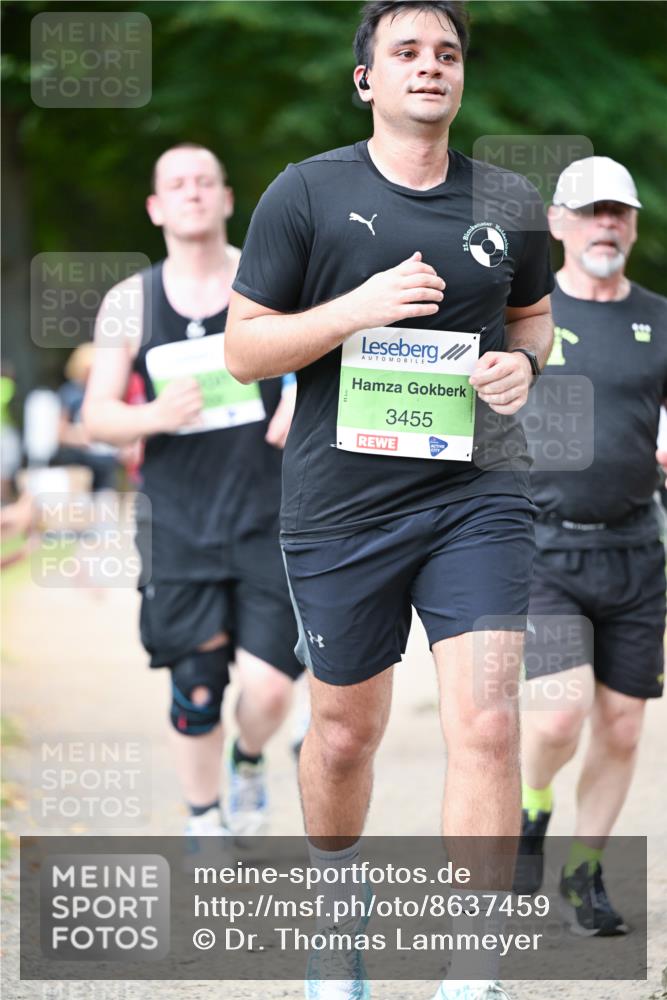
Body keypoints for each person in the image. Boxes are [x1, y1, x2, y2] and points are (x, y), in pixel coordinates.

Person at [225, 3, 553, 998]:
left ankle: (472, 964)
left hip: (478, 494)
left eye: (446, 55)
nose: (429, 68)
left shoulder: (508, 200)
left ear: (461, 79)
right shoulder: (305, 194)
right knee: (341, 734)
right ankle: (338, 907)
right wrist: (356, 309)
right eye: (405, 53)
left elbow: (533, 323)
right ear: (365, 77)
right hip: (341, 509)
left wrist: (519, 371)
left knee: (489, 722)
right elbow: (244, 352)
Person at [83, 143, 303, 844]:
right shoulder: (130, 301)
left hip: (270, 514)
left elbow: (328, 362)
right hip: (179, 520)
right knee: (200, 679)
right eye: (176, 184)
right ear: (155, 207)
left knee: (271, 686)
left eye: (205, 181)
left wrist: (302, 401)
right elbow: (96, 415)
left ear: (228, 198)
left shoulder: (270, 282)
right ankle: (205, 817)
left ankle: (248, 762)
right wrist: (152, 416)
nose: (192, 192)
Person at [515, 156, 666, 934]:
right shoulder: (524, 315)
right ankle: (531, 809)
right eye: (591, 211)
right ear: (558, 223)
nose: (606, 224)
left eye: (619, 213)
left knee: (621, 726)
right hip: (543, 548)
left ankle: (583, 874)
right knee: (553, 719)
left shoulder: (660, 318)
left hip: (637, 550)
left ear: (633, 226)